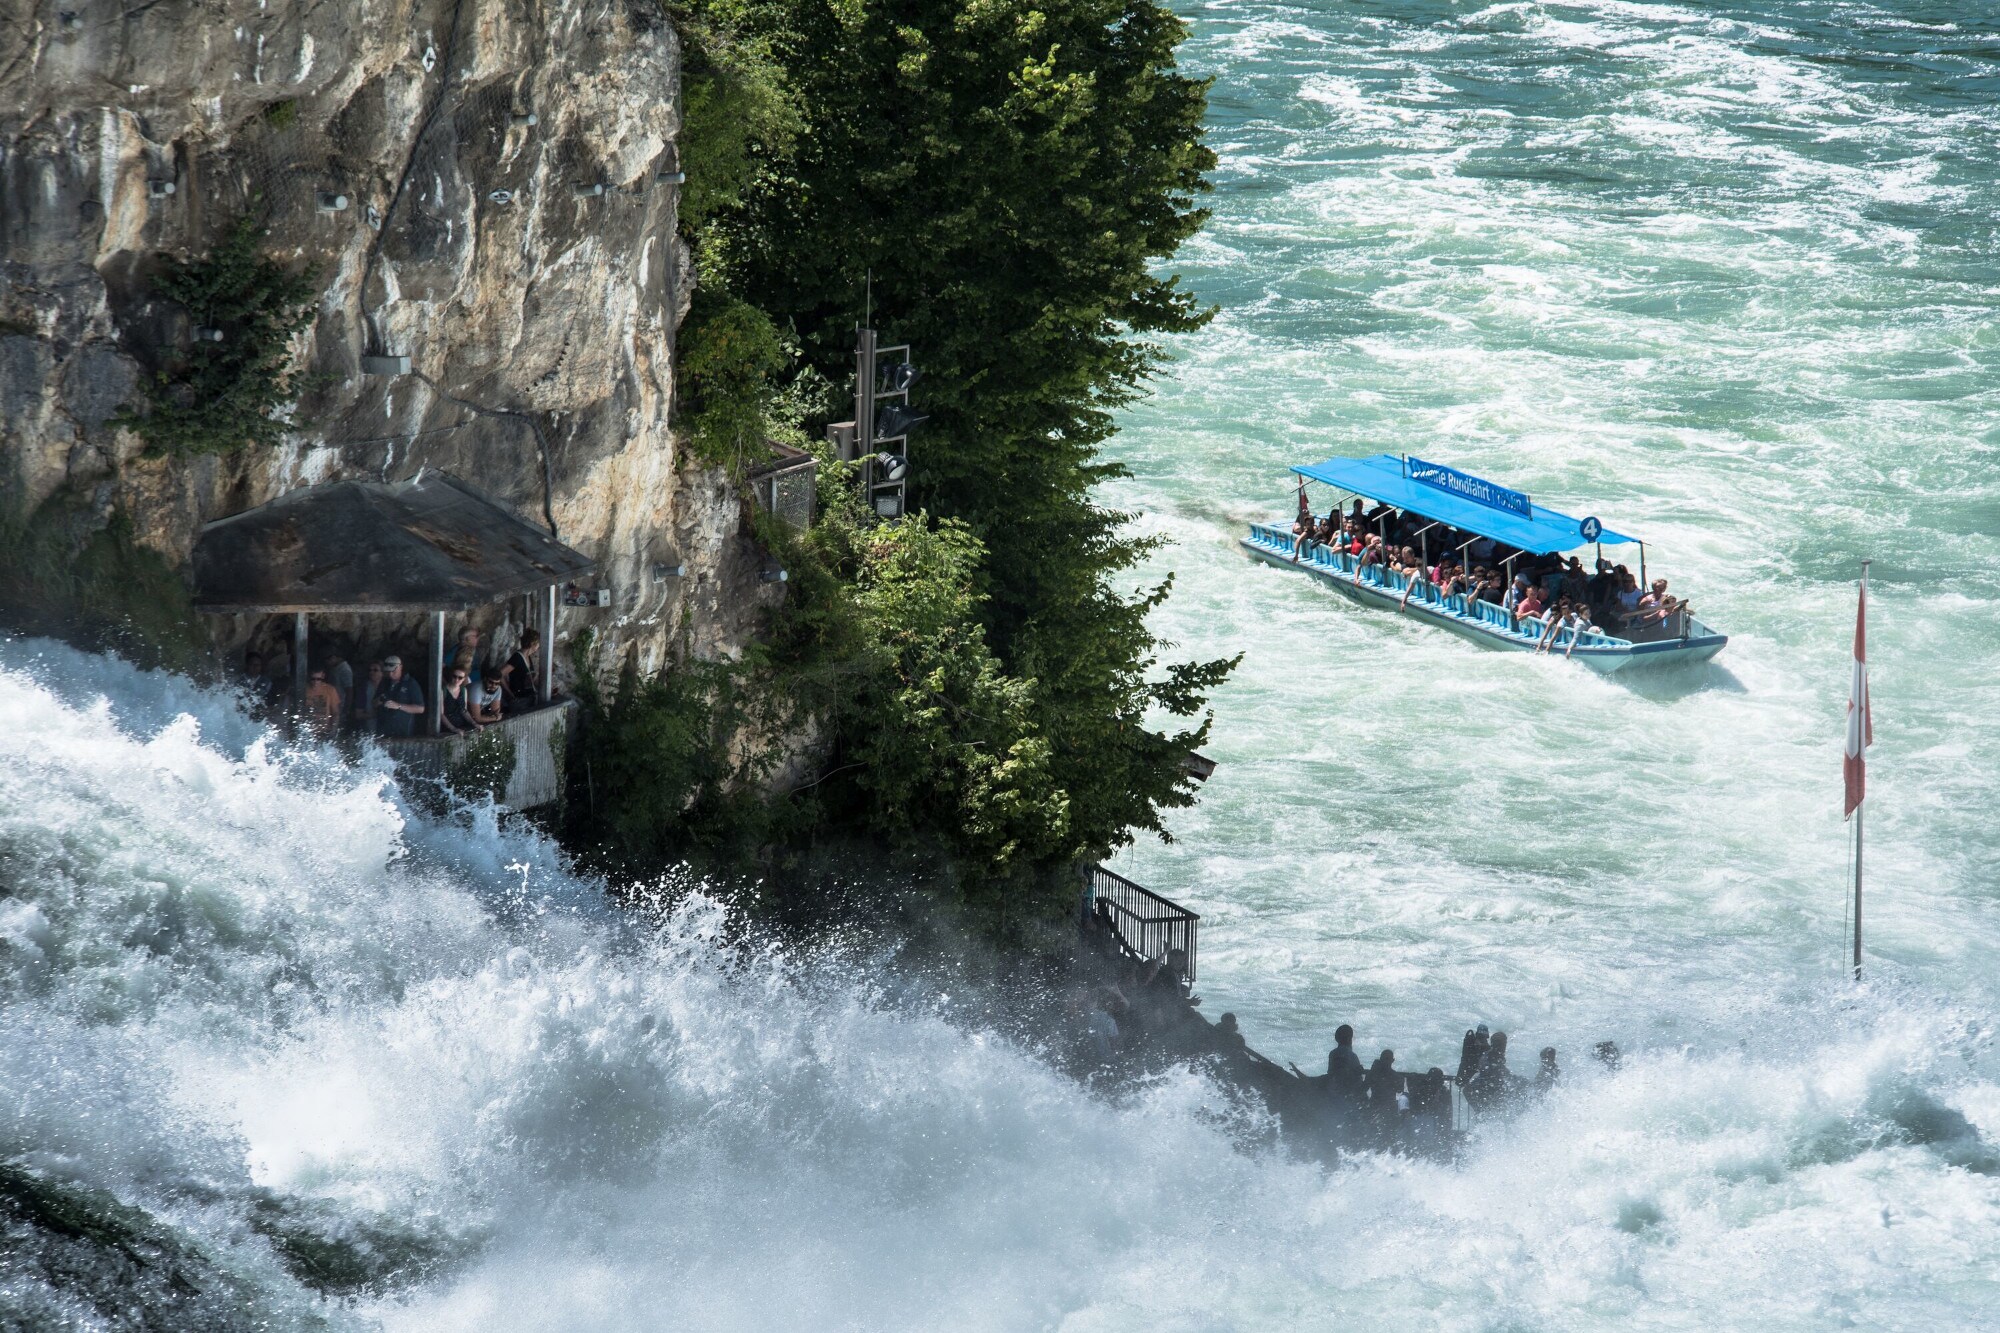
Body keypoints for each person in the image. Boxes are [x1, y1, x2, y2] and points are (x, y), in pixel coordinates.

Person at [374, 655, 426, 737]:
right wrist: (380, 701)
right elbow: (373, 703)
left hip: (402, 731)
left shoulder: (411, 683)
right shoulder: (384, 682)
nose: (390, 674)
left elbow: (420, 709)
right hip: (383, 729)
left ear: (400, 667)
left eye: (393, 671)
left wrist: (399, 706)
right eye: (388, 671)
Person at [1327, 1024, 1364, 1105]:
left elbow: (1330, 1074)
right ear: (1349, 1039)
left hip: (1334, 1094)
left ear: (1336, 1039)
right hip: (1349, 1096)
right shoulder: (1352, 1055)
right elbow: (1356, 1078)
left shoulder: (1332, 1054)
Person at [502, 630, 541, 708]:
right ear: (532, 644)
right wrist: (510, 694)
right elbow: (500, 674)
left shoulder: (528, 656)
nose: (539, 645)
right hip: (519, 700)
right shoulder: (517, 657)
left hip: (528, 697)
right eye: (538, 643)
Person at [302, 666, 342, 738]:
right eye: (313, 679)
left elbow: (335, 713)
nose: (315, 682)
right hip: (307, 731)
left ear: (323, 676)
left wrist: (333, 730)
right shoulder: (303, 690)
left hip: (324, 731)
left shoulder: (330, 690)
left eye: (318, 679)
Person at [439, 666, 479, 735]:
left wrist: (474, 723)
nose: (457, 680)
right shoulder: (443, 691)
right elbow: (441, 714)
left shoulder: (463, 690)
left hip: (462, 724)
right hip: (447, 727)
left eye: (460, 678)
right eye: (454, 676)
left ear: (464, 679)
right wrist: (453, 729)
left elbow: (464, 710)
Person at [351, 660, 383, 731]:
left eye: (375, 670)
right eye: (370, 670)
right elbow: (358, 714)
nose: (371, 672)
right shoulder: (363, 689)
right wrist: (376, 715)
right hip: (369, 729)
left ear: (382, 673)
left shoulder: (389, 687)